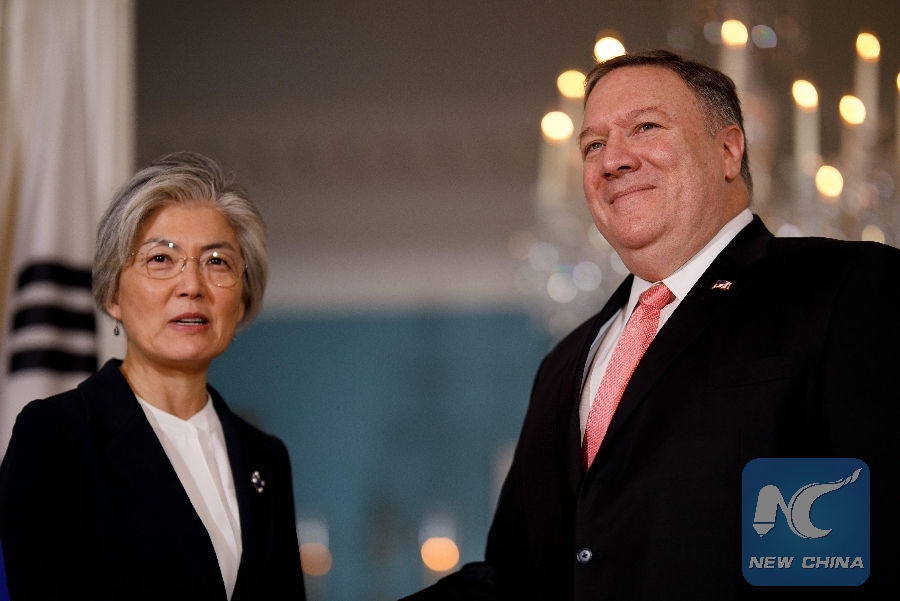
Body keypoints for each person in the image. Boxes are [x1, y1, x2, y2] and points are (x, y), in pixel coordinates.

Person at [403, 50, 899, 599]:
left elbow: (874, 533)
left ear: (728, 151)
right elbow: (517, 576)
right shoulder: (562, 363)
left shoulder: (844, 286)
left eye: (645, 127)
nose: (613, 160)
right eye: (593, 145)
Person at [0, 152, 306, 600]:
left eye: (217, 261)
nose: (192, 286)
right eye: (161, 258)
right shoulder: (57, 435)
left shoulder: (266, 458)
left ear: (242, 300)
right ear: (113, 295)